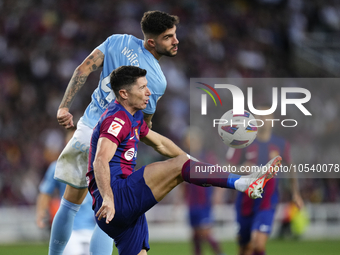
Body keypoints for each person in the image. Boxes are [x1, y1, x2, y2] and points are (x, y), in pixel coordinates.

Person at [86, 65, 282, 255]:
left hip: (120, 213)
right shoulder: (117, 119)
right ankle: (243, 182)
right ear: (124, 94)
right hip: (116, 197)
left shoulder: (134, 116)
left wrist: (191, 162)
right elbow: (100, 161)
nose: (148, 92)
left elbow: (161, 144)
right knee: (180, 167)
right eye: (142, 87)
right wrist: (109, 199)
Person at [49, 10, 180, 255]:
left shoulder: (116, 40)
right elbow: (143, 123)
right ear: (152, 42)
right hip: (114, 141)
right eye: (169, 37)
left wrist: (64, 107)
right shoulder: (157, 80)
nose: (175, 41)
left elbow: (82, 70)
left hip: (86, 132)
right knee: (111, 208)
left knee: (69, 205)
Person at [226, 106, 304, 255]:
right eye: (260, 116)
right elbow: (229, 168)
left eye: (267, 116)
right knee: (244, 247)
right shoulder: (244, 141)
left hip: (267, 200)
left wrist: (296, 193)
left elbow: (291, 168)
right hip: (245, 199)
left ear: (272, 119)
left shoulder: (280, 144)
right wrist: (242, 168)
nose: (263, 119)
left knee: (258, 242)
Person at [36, 160, 113, 255]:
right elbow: (46, 192)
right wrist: (41, 212)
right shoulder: (59, 165)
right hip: (70, 229)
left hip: (93, 227)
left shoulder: (99, 164)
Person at [183, 127, 226, 255]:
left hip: (204, 201)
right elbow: (182, 183)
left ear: (198, 141)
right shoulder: (185, 159)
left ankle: (220, 253)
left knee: (205, 233)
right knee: (195, 234)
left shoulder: (207, 157)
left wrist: (218, 194)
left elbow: (219, 175)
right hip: (192, 202)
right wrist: (180, 198)